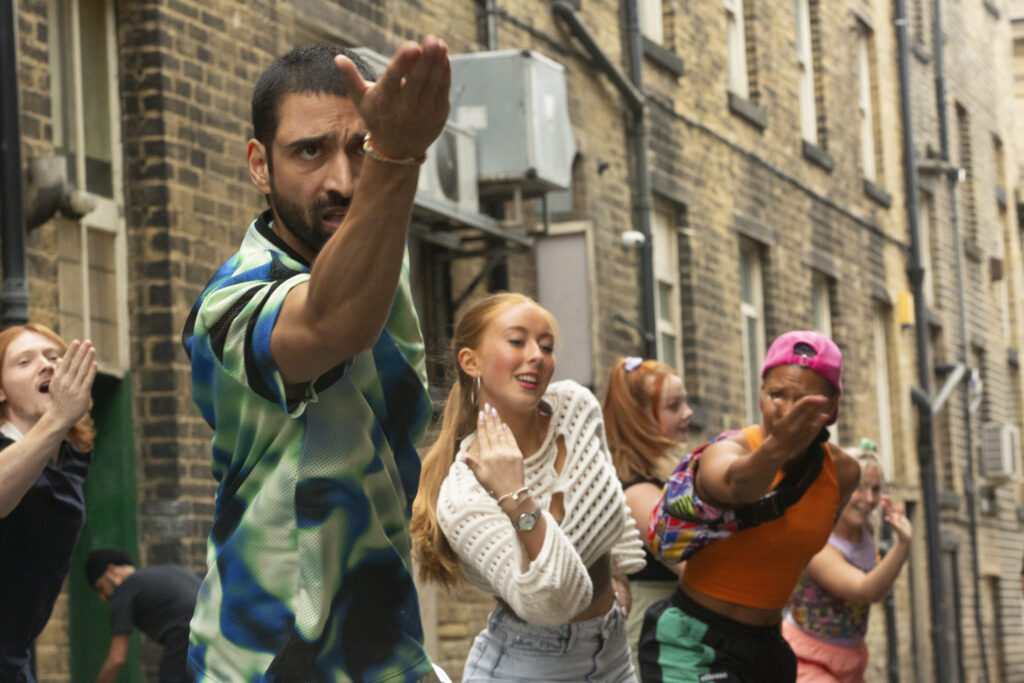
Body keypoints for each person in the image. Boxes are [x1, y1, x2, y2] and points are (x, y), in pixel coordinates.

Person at [181, 38, 450, 682]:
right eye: (310, 151)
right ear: (259, 164)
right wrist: (396, 154)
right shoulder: (232, 299)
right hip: (265, 657)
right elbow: (332, 323)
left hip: (384, 651)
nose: (343, 180)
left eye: (359, 148)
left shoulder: (386, 264)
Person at [410, 293, 646, 681]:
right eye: (517, 341)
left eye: (546, 345)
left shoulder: (576, 406)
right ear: (471, 362)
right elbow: (554, 602)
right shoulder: (464, 491)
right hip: (529, 665)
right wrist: (514, 495)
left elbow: (609, 498)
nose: (537, 354)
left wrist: (616, 566)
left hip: (614, 655)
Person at [640, 330, 861, 683]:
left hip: (768, 647)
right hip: (693, 641)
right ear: (760, 396)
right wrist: (778, 448)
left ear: (832, 406)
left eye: (803, 399)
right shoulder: (728, 451)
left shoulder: (844, 473)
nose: (787, 410)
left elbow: (798, 552)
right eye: (777, 394)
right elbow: (737, 485)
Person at [0, 324, 97, 683]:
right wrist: (57, 417)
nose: (45, 365)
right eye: (24, 362)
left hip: (13, 655)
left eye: (54, 357)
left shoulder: (71, 457)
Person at [782, 446, 912, 682]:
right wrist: (902, 546)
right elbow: (866, 590)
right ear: (839, 488)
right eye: (859, 488)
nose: (869, 499)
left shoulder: (865, 533)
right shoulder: (817, 540)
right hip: (807, 658)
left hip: (852, 659)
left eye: (875, 489)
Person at [602, 356, 692, 673]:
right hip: (649, 630)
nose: (688, 413)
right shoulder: (637, 493)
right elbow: (692, 566)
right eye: (674, 406)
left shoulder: (655, 477)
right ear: (638, 418)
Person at [85, 548, 202, 683]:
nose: (103, 597)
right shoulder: (166, 571)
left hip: (185, 631)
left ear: (111, 570)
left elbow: (117, 659)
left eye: (101, 588)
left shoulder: (124, 591)